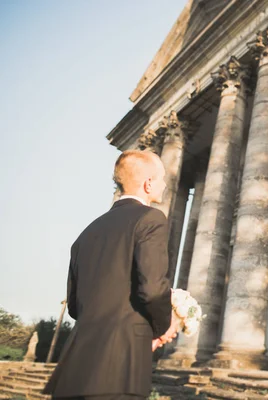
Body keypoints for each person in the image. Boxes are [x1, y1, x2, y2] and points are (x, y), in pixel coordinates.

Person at [44, 150, 179, 400]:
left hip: (73, 369)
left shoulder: (85, 235)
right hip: (120, 367)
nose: (164, 184)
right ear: (148, 183)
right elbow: (151, 289)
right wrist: (162, 328)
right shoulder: (151, 219)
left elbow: (74, 307)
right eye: (161, 178)